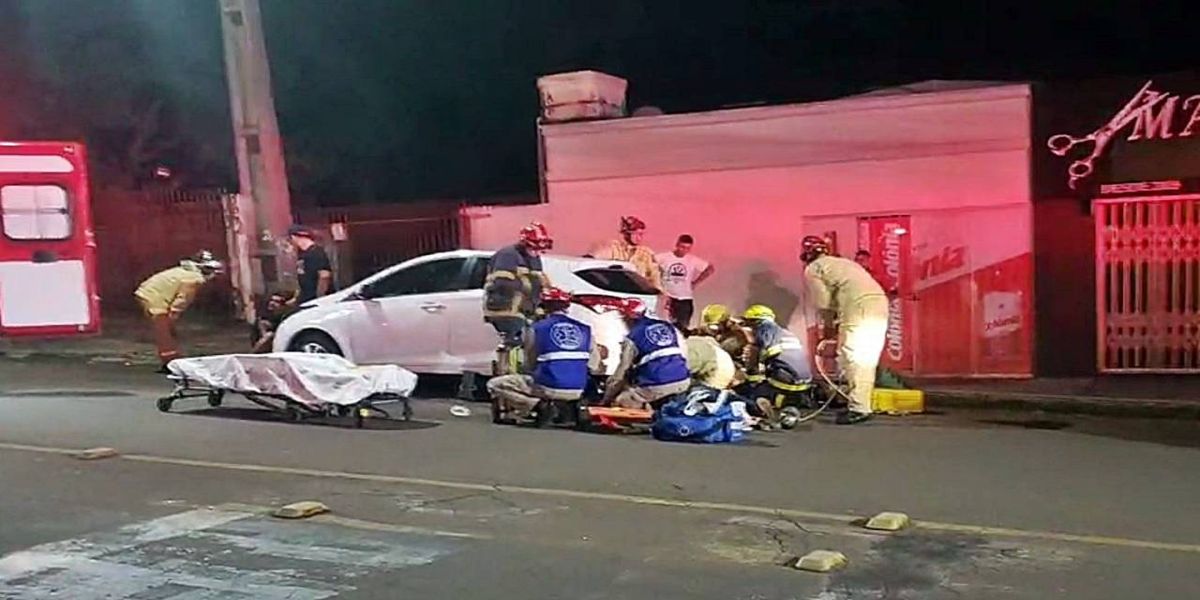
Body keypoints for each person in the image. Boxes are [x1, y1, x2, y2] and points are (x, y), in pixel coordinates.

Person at [801, 235, 889, 425]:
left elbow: (823, 303)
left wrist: (828, 329)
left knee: (853, 356)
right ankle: (857, 400)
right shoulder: (844, 263)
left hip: (858, 306)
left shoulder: (813, 269)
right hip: (879, 303)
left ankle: (859, 407)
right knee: (866, 357)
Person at [487, 287, 603, 424]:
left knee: (494, 385)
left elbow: (529, 362)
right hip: (579, 387)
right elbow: (594, 364)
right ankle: (565, 409)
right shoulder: (585, 329)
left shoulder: (537, 328)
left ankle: (535, 405)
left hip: (548, 386)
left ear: (544, 306)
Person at [133, 250, 224, 372]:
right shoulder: (194, 278)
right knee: (164, 333)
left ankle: (171, 360)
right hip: (156, 299)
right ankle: (170, 363)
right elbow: (182, 299)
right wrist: (173, 314)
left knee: (165, 331)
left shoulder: (183, 272)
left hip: (148, 294)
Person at [483, 222, 553, 374]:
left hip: (523, 308)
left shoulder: (534, 259)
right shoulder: (508, 255)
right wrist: (530, 287)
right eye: (534, 247)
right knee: (515, 341)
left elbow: (538, 283)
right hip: (506, 308)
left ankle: (523, 373)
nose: (537, 252)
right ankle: (508, 375)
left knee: (531, 341)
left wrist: (544, 299)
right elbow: (503, 282)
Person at [603, 298, 691, 410]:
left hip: (657, 383)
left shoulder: (633, 337)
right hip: (683, 380)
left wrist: (607, 397)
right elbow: (685, 354)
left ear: (629, 317)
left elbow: (622, 371)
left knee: (622, 400)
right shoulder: (669, 327)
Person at [738, 304, 814, 424]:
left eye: (748, 323)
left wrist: (751, 376)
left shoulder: (765, 329)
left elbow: (760, 355)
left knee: (752, 393)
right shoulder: (785, 332)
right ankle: (791, 401)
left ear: (755, 321)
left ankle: (765, 404)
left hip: (786, 379)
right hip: (804, 382)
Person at [656, 234, 715, 330]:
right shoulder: (664, 257)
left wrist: (696, 282)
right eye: (682, 247)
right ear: (677, 245)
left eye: (687, 248)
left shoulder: (691, 259)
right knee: (665, 325)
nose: (684, 250)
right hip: (668, 297)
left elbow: (710, 268)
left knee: (682, 326)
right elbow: (650, 263)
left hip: (685, 298)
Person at [590, 216, 662, 292]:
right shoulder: (612, 248)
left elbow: (655, 276)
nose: (639, 238)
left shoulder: (646, 253)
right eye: (636, 234)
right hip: (616, 290)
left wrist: (658, 292)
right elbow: (594, 261)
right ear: (626, 234)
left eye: (641, 234)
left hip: (639, 292)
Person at [288, 225, 334, 304]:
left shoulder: (316, 252)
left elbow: (324, 276)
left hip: (315, 300)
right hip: (306, 299)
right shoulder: (302, 254)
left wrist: (319, 299)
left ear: (294, 237)